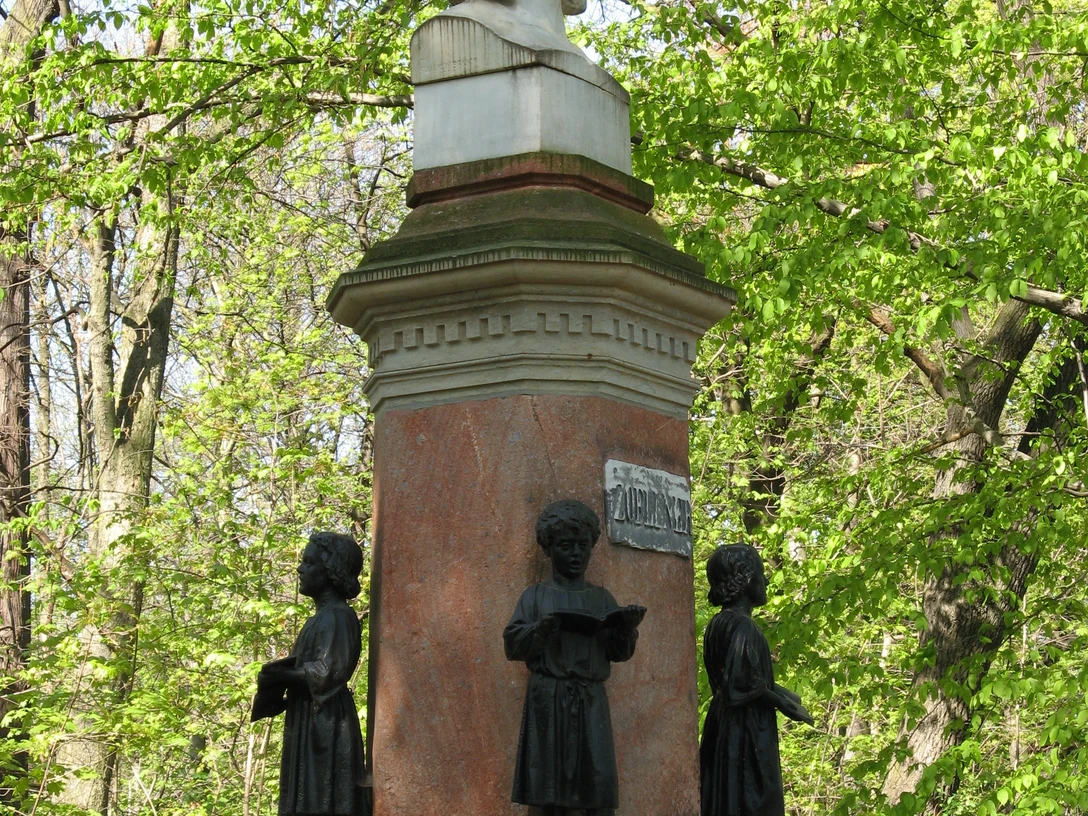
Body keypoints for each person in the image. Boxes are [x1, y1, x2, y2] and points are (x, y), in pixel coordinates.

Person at [503, 500, 645, 816]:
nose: (576, 554)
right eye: (567, 546)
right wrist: (541, 630)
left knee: (596, 785)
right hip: (549, 699)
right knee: (548, 793)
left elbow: (618, 653)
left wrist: (627, 629)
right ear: (549, 547)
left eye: (583, 546)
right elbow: (513, 644)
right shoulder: (535, 596)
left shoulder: (602, 597)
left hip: (591, 700)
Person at [254, 532, 368, 816]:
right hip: (309, 718)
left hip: (327, 724)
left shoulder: (339, 616)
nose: (300, 569)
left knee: (321, 797)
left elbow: (328, 671)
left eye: (309, 562)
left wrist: (281, 676)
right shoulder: (318, 618)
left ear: (330, 571)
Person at [699, 544, 813, 816]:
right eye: (761, 574)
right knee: (752, 799)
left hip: (723, 724)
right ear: (746, 578)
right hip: (745, 730)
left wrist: (785, 695)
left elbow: (746, 676)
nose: (766, 580)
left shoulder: (718, 623)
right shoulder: (744, 627)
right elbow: (742, 685)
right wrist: (784, 705)